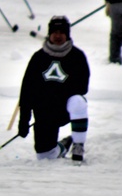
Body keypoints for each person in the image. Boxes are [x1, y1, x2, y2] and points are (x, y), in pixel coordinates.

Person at [16, 16, 90, 162]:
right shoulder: (38, 58)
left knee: (79, 101)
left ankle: (78, 145)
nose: (58, 36)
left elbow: (83, 87)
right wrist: (24, 120)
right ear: (49, 34)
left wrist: (59, 96)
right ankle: (63, 146)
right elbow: (27, 91)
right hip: (45, 110)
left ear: (67, 34)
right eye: (54, 32)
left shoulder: (77, 56)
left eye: (61, 32)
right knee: (44, 156)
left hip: (65, 107)